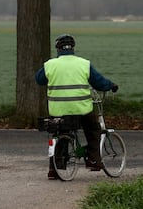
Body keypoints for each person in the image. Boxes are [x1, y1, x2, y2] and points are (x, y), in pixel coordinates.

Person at [35, 34, 118, 180]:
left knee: (59, 132)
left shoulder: (50, 64)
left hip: (58, 110)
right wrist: (110, 85)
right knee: (93, 129)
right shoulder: (83, 64)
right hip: (81, 109)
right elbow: (99, 82)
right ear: (73, 48)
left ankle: (55, 169)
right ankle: (93, 160)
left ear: (58, 49)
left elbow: (39, 79)